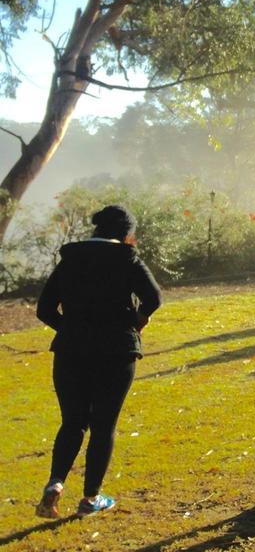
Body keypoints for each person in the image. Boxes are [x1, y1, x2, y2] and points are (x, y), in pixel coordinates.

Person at [34, 204, 161, 519]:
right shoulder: (127, 259)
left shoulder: (70, 259)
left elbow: (45, 309)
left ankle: (55, 483)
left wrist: (74, 329)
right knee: (103, 425)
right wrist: (136, 321)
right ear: (126, 233)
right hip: (117, 350)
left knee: (72, 421)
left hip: (71, 351)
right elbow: (154, 297)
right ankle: (90, 499)